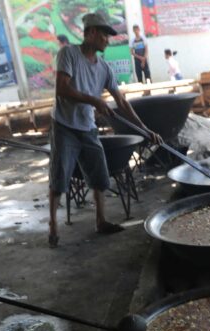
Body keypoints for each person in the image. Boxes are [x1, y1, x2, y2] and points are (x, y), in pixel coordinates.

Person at [48, 12, 161, 247]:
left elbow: (121, 102)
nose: (107, 40)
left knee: (99, 174)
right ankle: (53, 226)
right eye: (103, 35)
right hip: (65, 126)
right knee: (60, 177)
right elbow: (62, 89)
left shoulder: (104, 68)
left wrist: (144, 129)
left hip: (87, 128)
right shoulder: (68, 54)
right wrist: (95, 101)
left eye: (109, 36)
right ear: (89, 33)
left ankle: (100, 221)